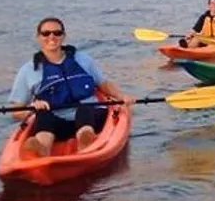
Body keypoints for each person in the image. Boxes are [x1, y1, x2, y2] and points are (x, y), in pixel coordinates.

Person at [9, 17, 137, 158]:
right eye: (46, 33)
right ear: (38, 37)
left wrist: (122, 97)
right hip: (57, 122)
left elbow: (103, 84)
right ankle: (40, 148)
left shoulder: (83, 59)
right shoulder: (28, 70)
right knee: (43, 116)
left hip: (91, 117)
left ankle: (86, 141)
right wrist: (32, 108)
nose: (52, 37)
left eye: (57, 33)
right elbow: (16, 111)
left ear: (63, 36)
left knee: (84, 109)